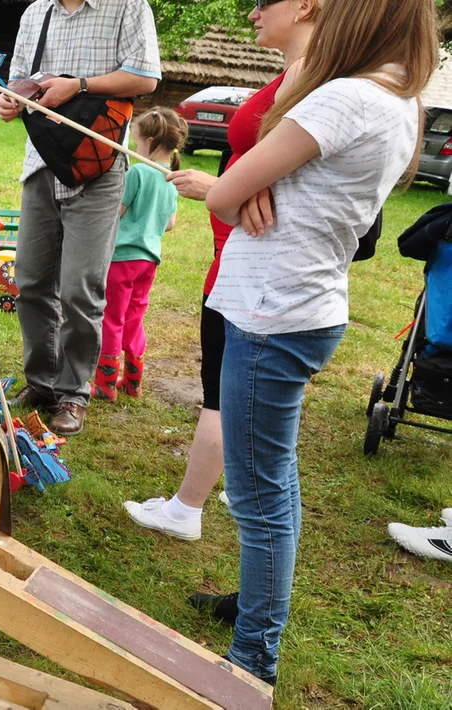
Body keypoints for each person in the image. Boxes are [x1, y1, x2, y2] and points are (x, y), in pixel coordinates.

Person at [200, 0, 436, 685]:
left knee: (258, 495)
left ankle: (252, 660)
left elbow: (223, 193)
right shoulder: (396, 99)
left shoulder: (344, 98)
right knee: (275, 478)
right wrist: (248, 187)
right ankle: (254, 607)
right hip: (301, 309)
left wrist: (240, 189)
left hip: (273, 318)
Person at [123, 0, 320, 546]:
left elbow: (305, 195)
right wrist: (235, 186)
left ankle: (188, 508)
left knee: (222, 398)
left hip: (255, 283)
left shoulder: (323, 81)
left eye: (263, 3)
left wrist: (223, 189)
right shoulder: (299, 76)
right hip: (237, 267)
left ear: (306, 6)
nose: (253, 14)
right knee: (239, 404)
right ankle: (234, 488)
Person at [0, 0, 161, 436]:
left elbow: (145, 77)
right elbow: (20, 79)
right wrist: (10, 98)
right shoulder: (35, 13)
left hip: (99, 165)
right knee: (31, 282)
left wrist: (80, 85)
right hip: (41, 161)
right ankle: (42, 384)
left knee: (80, 288)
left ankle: (73, 392)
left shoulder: (128, 7)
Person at [90, 108, 185, 402]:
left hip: (122, 260)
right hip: (148, 261)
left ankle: (105, 384)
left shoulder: (137, 173)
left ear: (150, 140)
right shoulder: (171, 178)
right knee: (134, 317)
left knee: (112, 317)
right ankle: (133, 382)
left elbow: (116, 213)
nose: (133, 145)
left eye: (136, 139)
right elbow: (169, 224)